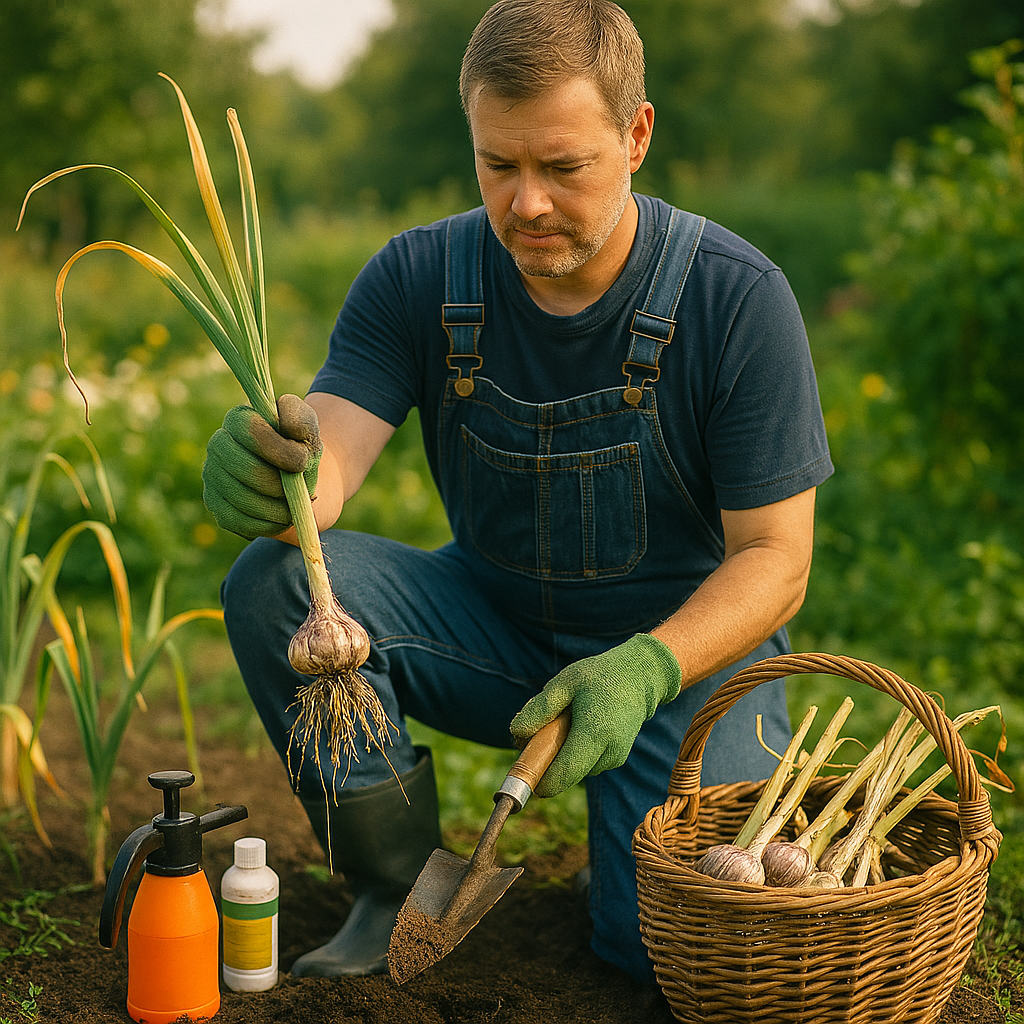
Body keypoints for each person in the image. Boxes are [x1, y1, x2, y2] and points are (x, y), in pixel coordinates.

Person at [203, 0, 834, 988]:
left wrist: (646, 667)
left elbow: (776, 558)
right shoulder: (419, 275)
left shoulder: (733, 297)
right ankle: (395, 882)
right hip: (495, 635)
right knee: (273, 580)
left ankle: (628, 847)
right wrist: (278, 472)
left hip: (681, 661)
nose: (526, 203)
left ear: (635, 135)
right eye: (499, 165)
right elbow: (330, 460)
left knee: (664, 958)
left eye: (562, 166)